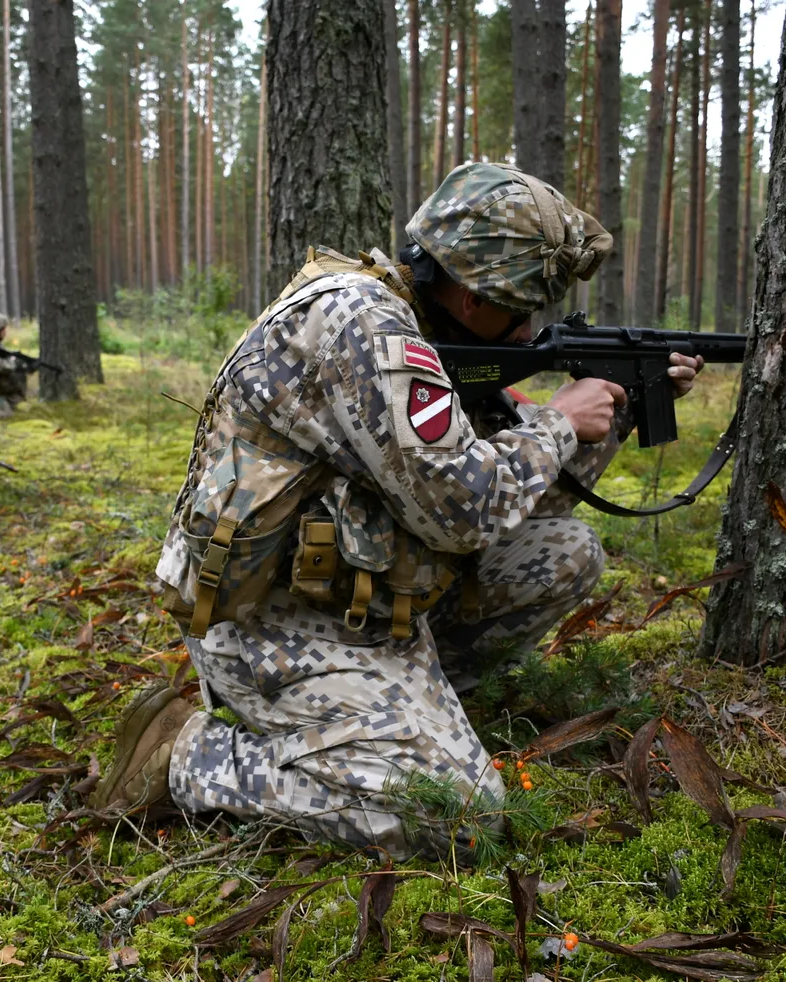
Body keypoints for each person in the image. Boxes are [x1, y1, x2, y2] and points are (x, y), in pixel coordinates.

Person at [94, 163, 706, 859]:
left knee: (565, 551)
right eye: (524, 307)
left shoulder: (419, 328)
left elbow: (523, 506)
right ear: (476, 298)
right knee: (454, 817)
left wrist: (618, 410)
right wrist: (558, 423)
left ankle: (405, 717)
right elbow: (464, 514)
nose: (528, 329)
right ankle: (187, 756)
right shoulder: (368, 326)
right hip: (269, 620)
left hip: (366, 598)